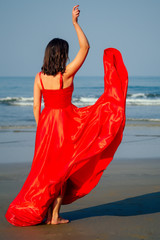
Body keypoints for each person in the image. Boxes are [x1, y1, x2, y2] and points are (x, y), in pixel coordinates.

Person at [5, 5, 128, 226]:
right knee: (63, 170)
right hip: (66, 125)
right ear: (62, 55)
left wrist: (42, 128)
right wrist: (75, 23)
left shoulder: (39, 77)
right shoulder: (66, 74)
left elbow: (35, 106)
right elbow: (86, 47)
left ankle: (46, 212)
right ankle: (54, 216)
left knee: (45, 173)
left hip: (46, 127)